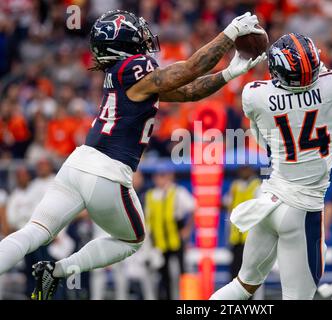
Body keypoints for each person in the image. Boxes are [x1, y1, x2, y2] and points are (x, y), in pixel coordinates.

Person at [0, 9, 266, 300]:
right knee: (132, 240)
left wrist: (229, 73)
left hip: (76, 165)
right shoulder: (134, 68)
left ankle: (52, 270)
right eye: (137, 34)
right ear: (125, 43)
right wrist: (228, 34)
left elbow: (188, 91)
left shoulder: (124, 75)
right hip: (108, 172)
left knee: (33, 233)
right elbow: (189, 69)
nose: (144, 38)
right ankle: (59, 270)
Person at [210, 33, 332, 300]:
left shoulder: (255, 95)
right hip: (303, 210)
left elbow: (258, 134)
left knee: (242, 286)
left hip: (269, 200)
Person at [144, 169, 195, 300]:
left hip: (175, 240)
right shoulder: (150, 195)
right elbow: (148, 221)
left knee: (181, 273)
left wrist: (187, 230)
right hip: (159, 243)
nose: (160, 179)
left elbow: (193, 208)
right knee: (163, 276)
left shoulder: (177, 192)